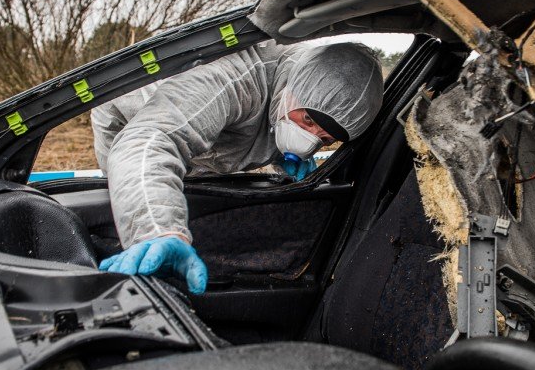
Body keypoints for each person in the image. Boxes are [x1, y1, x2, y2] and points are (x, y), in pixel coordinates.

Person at [91, 40, 384, 295]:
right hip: (133, 127)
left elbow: (268, 133)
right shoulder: (237, 79)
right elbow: (152, 140)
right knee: (132, 209)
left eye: (325, 139)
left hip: (206, 150)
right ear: (295, 86)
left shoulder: (293, 103)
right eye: (307, 122)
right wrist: (156, 230)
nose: (308, 142)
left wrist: (285, 158)